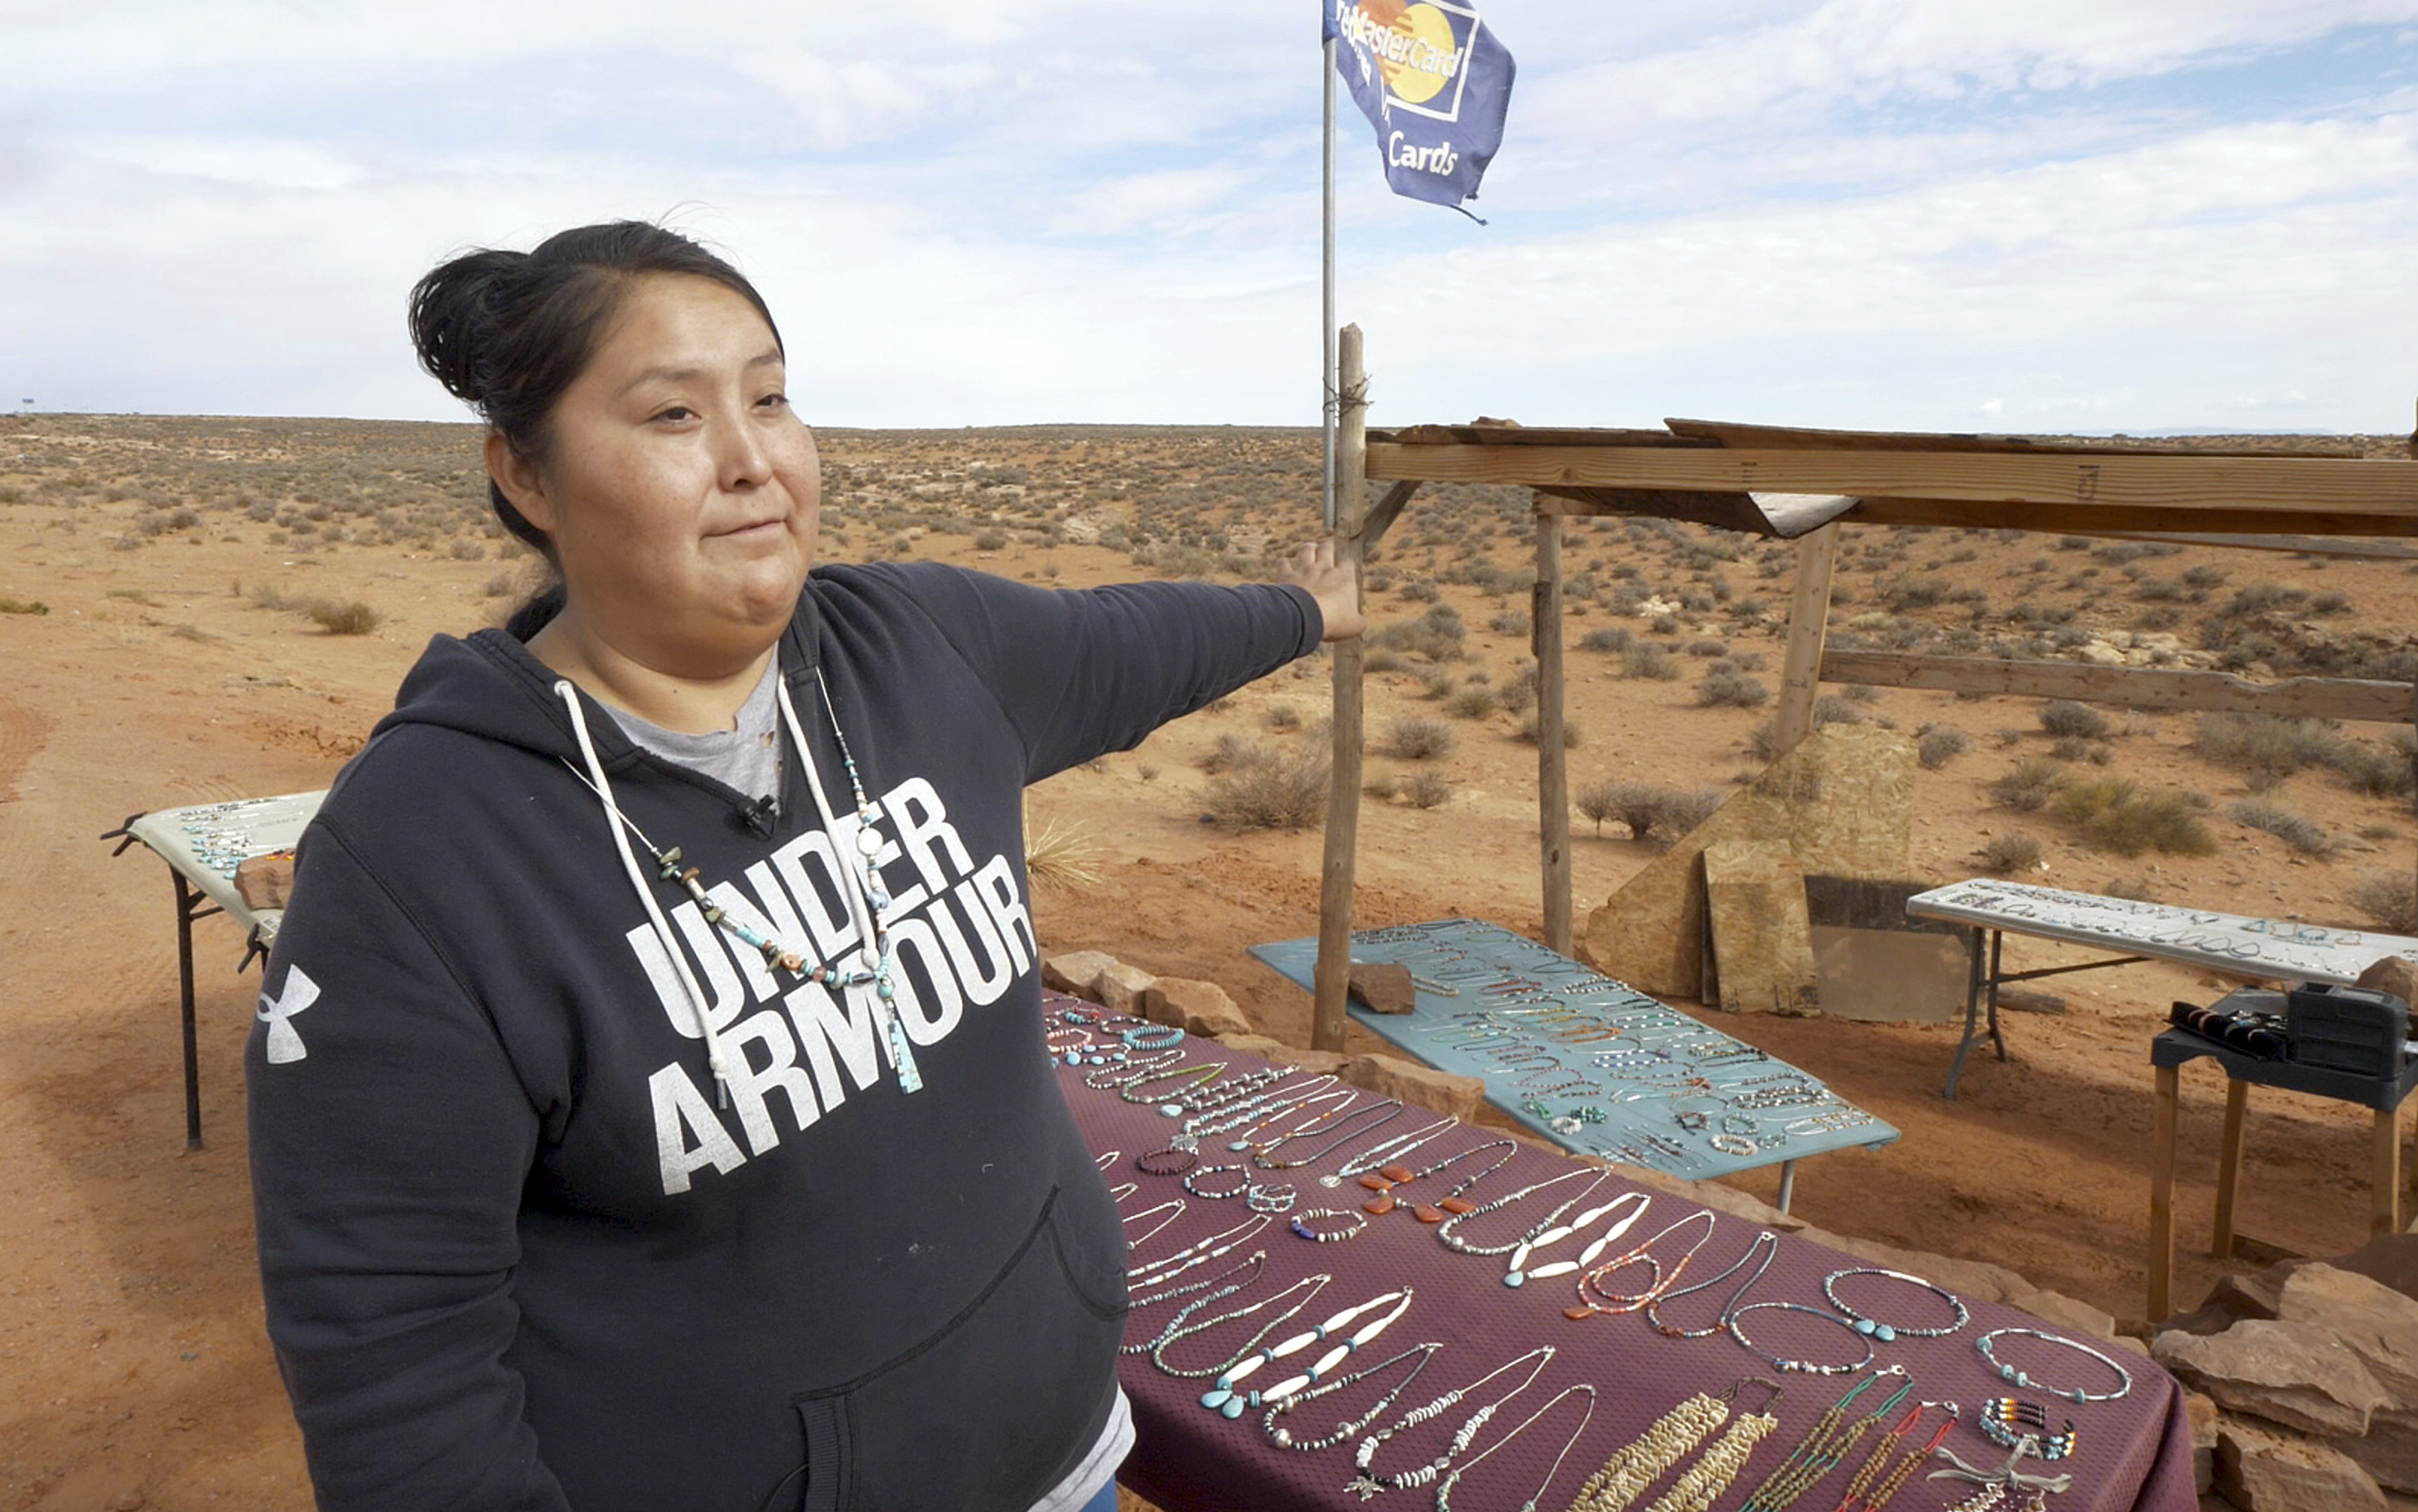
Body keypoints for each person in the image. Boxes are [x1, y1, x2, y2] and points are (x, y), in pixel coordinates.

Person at [244, 220, 1363, 1512]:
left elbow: (1132, 641)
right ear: (529, 477)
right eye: (674, 413)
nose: (753, 460)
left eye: (771, 397)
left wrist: (1303, 613)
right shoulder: (424, 857)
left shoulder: (925, 648)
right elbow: (395, 1366)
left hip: (1065, 1458)